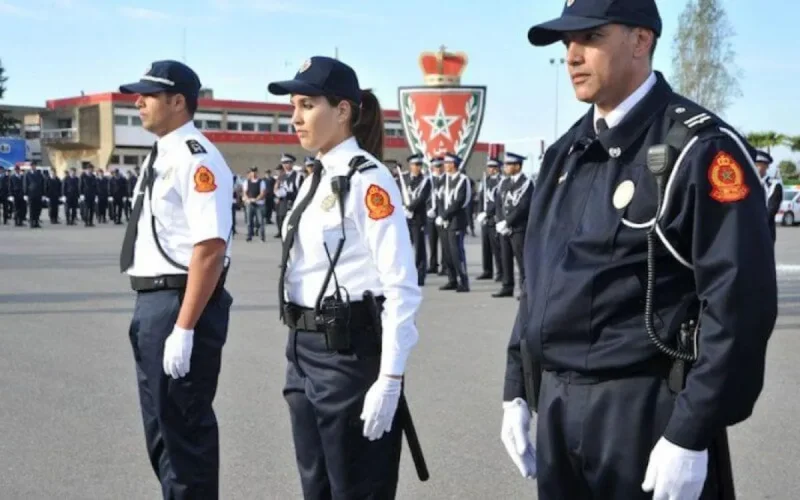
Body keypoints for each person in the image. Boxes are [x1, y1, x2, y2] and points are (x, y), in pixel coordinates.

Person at [501, 2, 777, 500]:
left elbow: (739, 303)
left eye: (591, 37)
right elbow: (538, 282)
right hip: (558, 406)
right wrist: (517, 387)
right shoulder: (565, 153)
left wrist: (690, 433)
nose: (572, 56)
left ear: (640, 40)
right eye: (566, 43)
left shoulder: (699, 149)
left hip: (645, 413)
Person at [268, 55, 422, 499]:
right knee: (316, 487)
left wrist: (390, 378)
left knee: (356, 489)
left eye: (307, 105)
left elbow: (401, 285)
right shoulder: (315, 175)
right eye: (293, 105)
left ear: (342, 110)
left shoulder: (368, 180)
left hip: (348, 357)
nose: (295, 117)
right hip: (303, 350)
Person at [118, 60, 234, 500]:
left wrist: (184, 329)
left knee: (185, 433)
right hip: (152, 301)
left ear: (178, 101)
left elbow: (210, 248)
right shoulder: (163, 153)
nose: (139, 101)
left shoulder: (195, 158)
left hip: (180, 302)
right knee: (162, 433)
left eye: (148, 95)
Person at [494, 152, 533, 299]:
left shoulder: (526, 183)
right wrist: (500, 221)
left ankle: (525, 289)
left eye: (508, 164)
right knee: (505, 258)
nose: (505, 167)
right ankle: (507, 286)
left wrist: (508, 222)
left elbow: (523, 206)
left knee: (522, 260)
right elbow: (499, 203)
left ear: (517, 166)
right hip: (504, 227)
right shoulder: (504, 183)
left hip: (518, 228)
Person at [437, 152, 471, 292]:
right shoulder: (443, 179)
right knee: (447, 253)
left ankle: (463, 281)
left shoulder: (463, 180)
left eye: (447, 163)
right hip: (444, 221)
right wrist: (440, 215)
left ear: (454, 164)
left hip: (456, 221)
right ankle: (452, 279)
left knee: (457, 253)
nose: (445, 166)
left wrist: (444, 215)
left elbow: (459, 201)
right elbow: (439, 198)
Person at [403, 154, 432, 286]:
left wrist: (410, 208)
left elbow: (422, 198)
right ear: (410, 166)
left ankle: (420, 276)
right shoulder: (404, 179)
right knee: (405, 248)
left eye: (419, 165)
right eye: (415, 165)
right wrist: (403, 208)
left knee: (419, 248)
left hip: (418, 219)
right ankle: (407, 274)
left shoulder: (426, 180)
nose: (417, 167)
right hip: (405, 218)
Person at [476, 157, 503, 282]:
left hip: (494, 218)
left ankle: (501, 271)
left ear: (497, 168)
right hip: (485, 219)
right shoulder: (485, 181)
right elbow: (481, 199)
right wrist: (480, 212)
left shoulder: (500, 181)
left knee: (497, 248)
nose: (490, 170)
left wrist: (487, 213)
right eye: (489, 167)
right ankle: (487, 270)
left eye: (493, 167)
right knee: (485, 246)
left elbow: (498, 201)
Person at [755, 150, 782, 241]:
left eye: (759, 165)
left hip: (766, 231)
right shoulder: (748, 184)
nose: (756, 167)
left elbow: (771, 210)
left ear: (766, 166)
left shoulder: (774, 185)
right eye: (754, 164)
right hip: (748, 231)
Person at [242, 166, 267, 242]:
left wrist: (256, 199)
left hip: (259, 204)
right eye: (252, 172)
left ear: (257, 172)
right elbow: (244, 192)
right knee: (249, 221)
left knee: (260, 221)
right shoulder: (246, 182)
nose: (253, 173)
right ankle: (249, 236)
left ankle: (262, 237)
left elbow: (262, 193)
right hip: (250, 203)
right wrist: (248, 199)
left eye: (255, 171)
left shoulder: (261, 182)